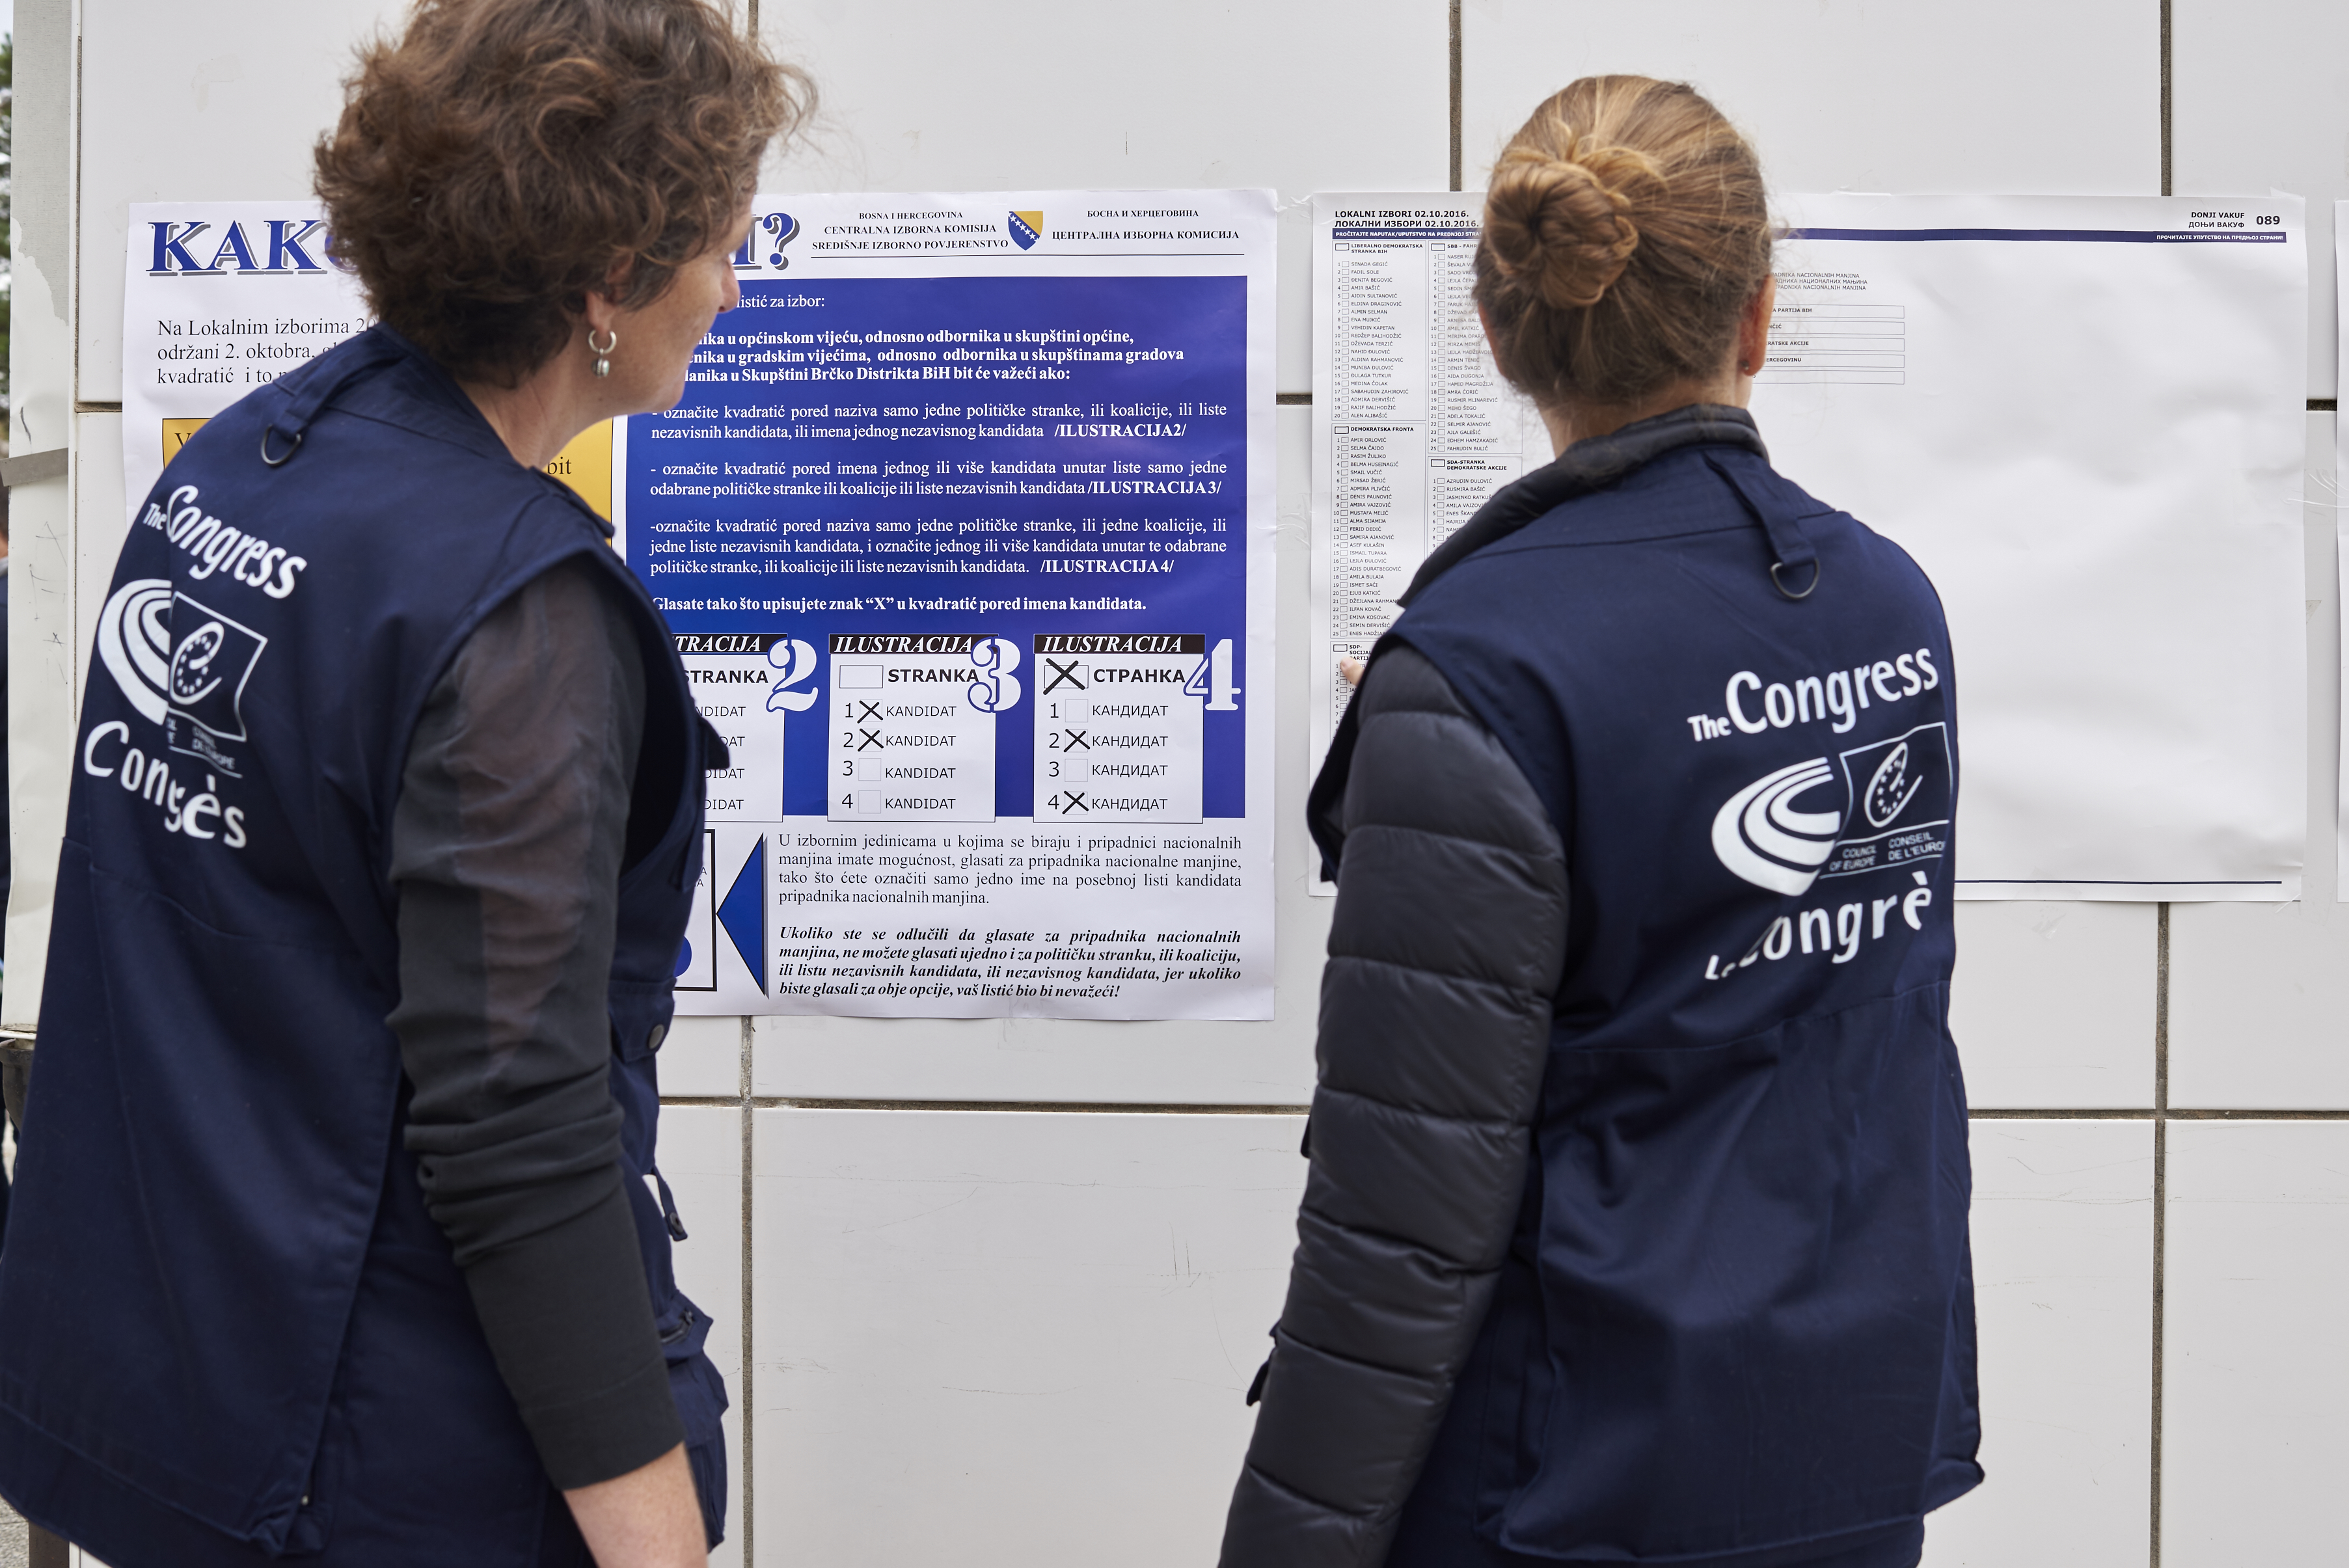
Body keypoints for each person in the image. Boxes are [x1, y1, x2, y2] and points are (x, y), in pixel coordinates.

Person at [0, 3, 806, 1563]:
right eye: (724, 244)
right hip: (382, 1463)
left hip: (174, 1410)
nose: (729, 287)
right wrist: (657, 1540)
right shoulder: (516, 617)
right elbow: (519, 1130)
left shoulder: (244, 464)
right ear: (607, 278)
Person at [1221, 77, 1978, 1568]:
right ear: (1755, 315)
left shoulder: (1484, 667)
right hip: (1843, 1452)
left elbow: (1400, 1212)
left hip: (1570, 1480)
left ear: (1497, 335)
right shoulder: (1887, 605)